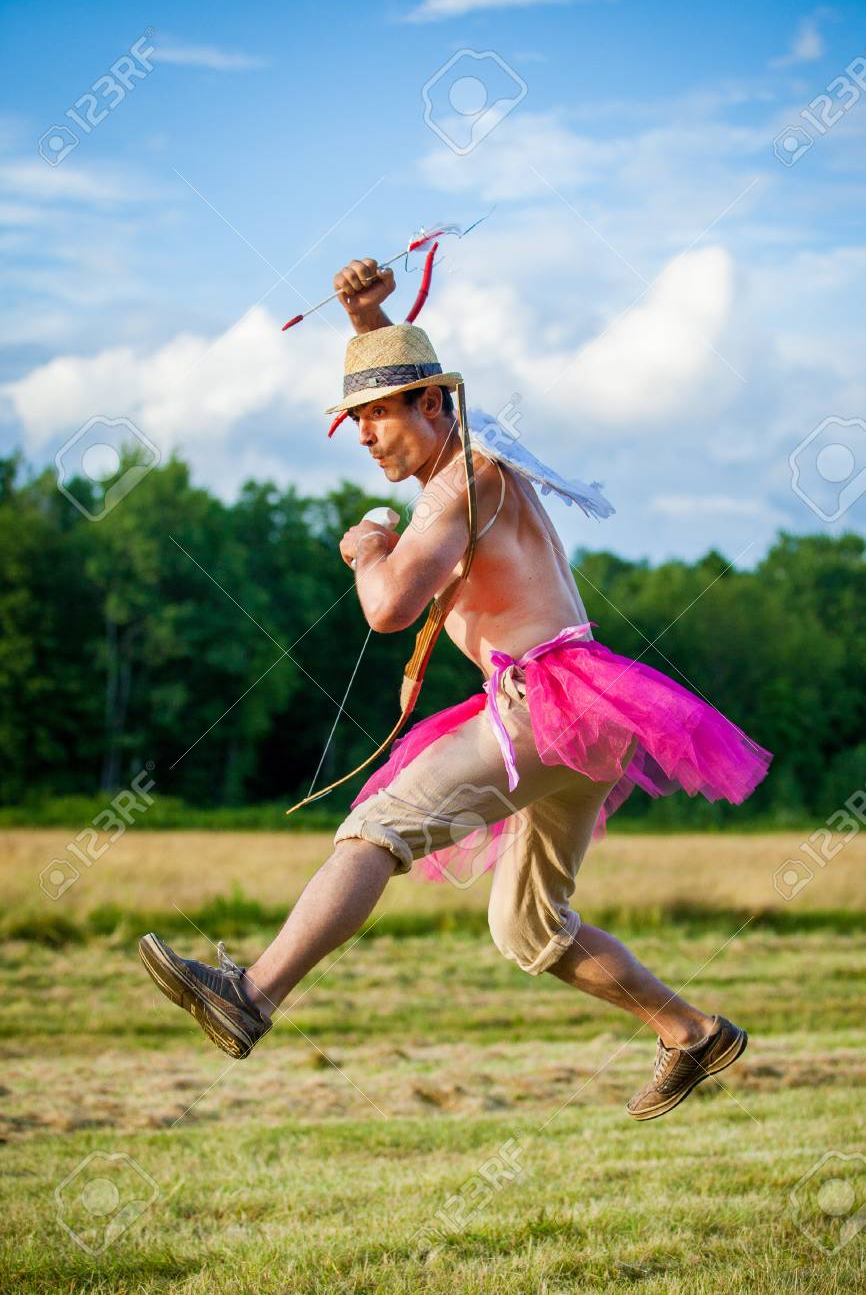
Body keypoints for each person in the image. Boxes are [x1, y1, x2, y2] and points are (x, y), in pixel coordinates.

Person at [140, 256, 772, 1121]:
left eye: (374, 417)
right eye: (353, 419)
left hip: (544, 705)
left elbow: (391, 608)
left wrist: (367, 550)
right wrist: (368, 323)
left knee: (378, 828)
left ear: (434, 406)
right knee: (527, 929)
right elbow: (407, 395)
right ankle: (693, 1032)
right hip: (584, 713)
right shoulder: (465, 465)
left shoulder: (465, 480)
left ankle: (251, 996)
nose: (364, 436)